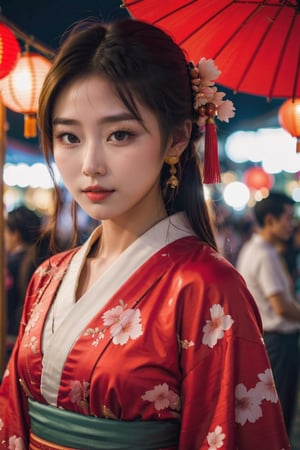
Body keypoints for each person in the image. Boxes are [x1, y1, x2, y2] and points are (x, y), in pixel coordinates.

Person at [0, 18, 289, 450]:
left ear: (176, 139)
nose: (90, 164)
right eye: (69, 136)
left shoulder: (207, 287)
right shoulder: (48, 275)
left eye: (120, 134)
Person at [236, 191, 300, 437]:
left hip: (269, 341)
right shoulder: (265, 254)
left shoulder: (255, 249)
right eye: (288, 217)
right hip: (278, 343)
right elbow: (281, 306)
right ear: (271, 219)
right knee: (280, 410)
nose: (291, 224)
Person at [4, 206, 44, 351]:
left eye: (5, 231)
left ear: (16, 234)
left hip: (11, 337)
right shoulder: (44, 259)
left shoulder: (10, 263)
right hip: (33, 336)